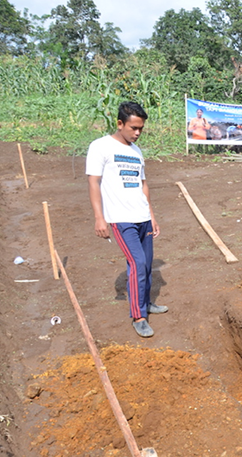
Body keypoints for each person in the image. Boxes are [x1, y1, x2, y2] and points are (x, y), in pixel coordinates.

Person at [87, 101, 167, 338]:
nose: (138, 133)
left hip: (142, 217)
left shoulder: (136, 151)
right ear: (120, 123)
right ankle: (138, 315)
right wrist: (99, 218)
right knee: (137, 264)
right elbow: (93, 182)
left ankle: (146, 302)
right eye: (133, 128)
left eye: (141, 128)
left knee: (148, 264)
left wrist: (151, 215)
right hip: (121, 220)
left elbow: (143, 184)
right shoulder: (101, 147)